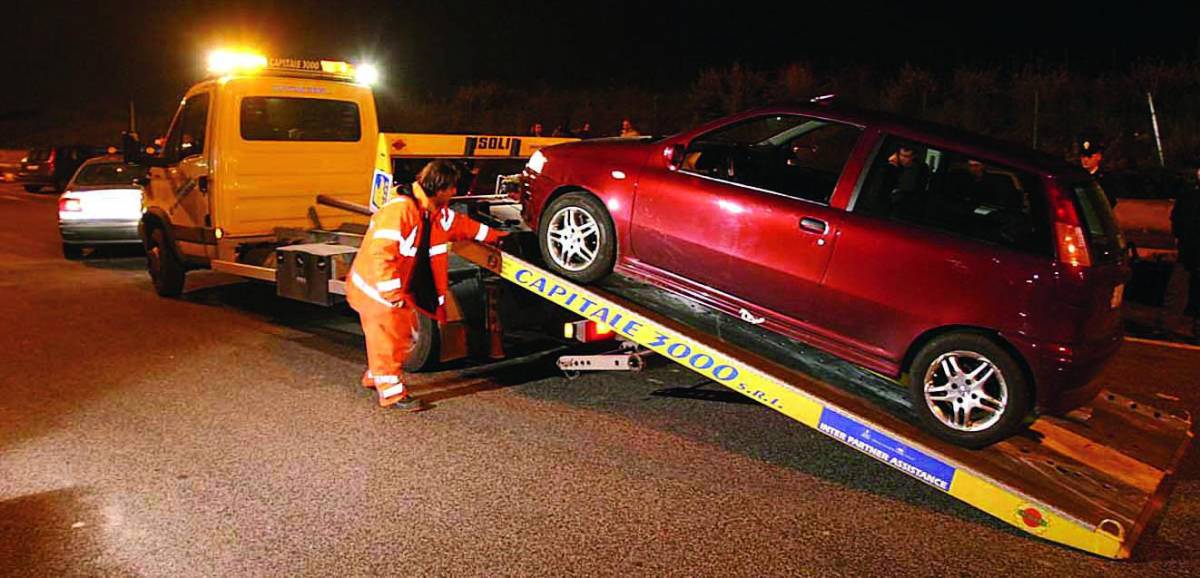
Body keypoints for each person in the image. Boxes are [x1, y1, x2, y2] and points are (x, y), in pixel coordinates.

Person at [346, 160, 506, 409]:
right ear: (439, 186)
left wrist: (495, 237)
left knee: (401, 335)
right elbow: (381, 254)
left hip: (397, 284)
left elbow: (462, 226)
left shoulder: (434, 211)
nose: (455, 193)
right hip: (376, 287)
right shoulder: (400, 211)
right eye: (452, 187)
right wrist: (391, 291)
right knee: (387, 337)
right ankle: (392, 393)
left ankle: (377, 376)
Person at [1172, 159, 1200, 342]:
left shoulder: (1188, 196)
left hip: (1189, 247)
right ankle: (1170, 322)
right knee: (1179, 288)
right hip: (1190, 248)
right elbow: (1178, 219)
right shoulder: (1189, 196)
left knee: (1181, 287)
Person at [1079, 138, 1123, 207]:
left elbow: (1110, 201)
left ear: (1098, 157)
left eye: (1089, 156)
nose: (1085, 160)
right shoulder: (1078, 176)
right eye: (1083, 156)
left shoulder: (1106, 178)